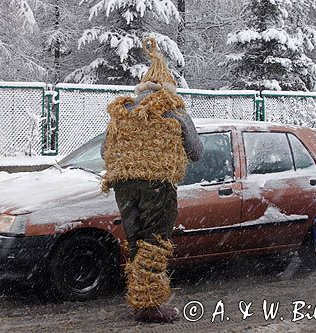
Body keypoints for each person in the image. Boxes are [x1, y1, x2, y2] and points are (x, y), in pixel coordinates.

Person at [100, 37, 203, 323]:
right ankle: (150, 305)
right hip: (158, 185)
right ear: (168, 87)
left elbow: (104, 150)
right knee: (155, 242)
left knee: (135, 241)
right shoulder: (174, 112)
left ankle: (140, 298)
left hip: (123, 185)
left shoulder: (124, 112)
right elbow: (196, 153)